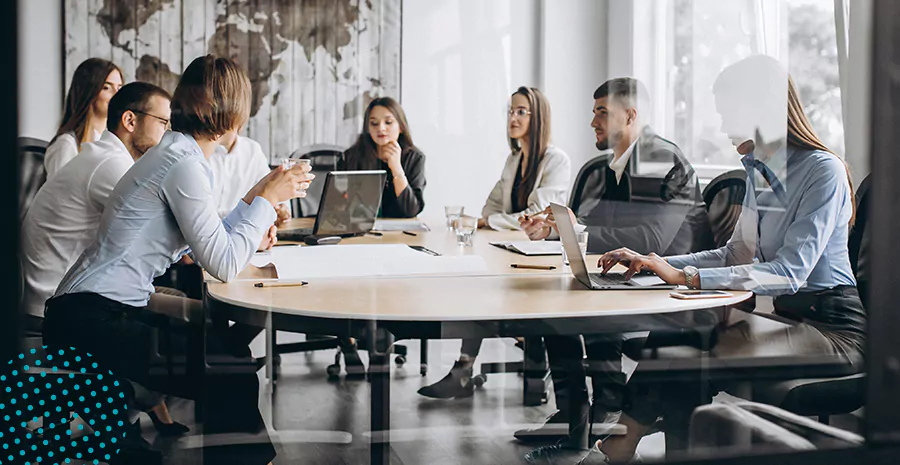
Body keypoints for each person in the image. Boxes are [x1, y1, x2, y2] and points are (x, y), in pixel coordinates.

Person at [576, 55, 866, 464]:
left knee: (685, 359)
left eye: (730, 113)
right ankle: (629, 445)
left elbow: (789, 273)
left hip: (834, 329)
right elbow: (734, 253)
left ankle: (621, 445)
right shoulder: (762, 172)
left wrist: (686, 276)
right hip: (789, 320)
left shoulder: (824, 172)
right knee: (674, 338)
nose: (724, 127)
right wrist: (656, 261)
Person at [42, 54, 313, 465]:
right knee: (230, 368)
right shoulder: (183, 164)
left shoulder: (178, 156)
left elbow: (209, 239)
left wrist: (261, 195)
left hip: (91, 309)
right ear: (229, 114)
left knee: (229, 356)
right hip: (90, 319)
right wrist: (268, 199)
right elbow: (221, 261)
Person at [516, 78, 709, 449]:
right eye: (594, 113)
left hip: (673, 286)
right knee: (552, 306)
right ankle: (577, 415)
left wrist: (578, 227)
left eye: (602, 113)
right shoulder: (609, 167)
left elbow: (652, 241)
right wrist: (554, 230)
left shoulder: (658, 158)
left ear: (631, 115)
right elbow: (597, 229)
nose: (593, 122)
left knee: (561, 310)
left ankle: (591, 416)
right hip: (631, 278)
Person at [20, 81, 192, 436]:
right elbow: (169, 226)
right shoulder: (110, 165)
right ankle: (134, 406)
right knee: (178, 310)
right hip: (62, 301)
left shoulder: (101, 156)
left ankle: (140, 411)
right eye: (164, 122)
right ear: (130, 120)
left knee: (169, 303)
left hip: (64, 290)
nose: (170, 134)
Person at [418, 86, 572, 399]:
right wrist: (495, 220)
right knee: (477, 283)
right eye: (510, 111)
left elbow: (534, 215)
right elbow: (490, 208)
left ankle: (520, 363)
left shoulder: (556, 160)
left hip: (540, 256)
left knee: (490, 292)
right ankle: (465, 370)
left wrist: (494, 221)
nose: (512, 118)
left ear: (538, 117)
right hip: (512, 248)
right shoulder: (514, 160)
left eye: (521, 112)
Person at [340, 97, 426, 218]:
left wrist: (397, 170)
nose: (381, 128)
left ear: (401, 127)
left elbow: (411, 210)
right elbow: (340, 205)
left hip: (401, 233)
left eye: (388, 122)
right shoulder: (352, 156)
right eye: (374, 123)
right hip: (361, 228)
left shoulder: (415, 158)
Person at [45, 58, 124, 178]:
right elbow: (59, 195)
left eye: (119, 88)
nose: (117, 95)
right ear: (89, 91)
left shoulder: (114, 143)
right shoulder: (66, 145)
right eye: (106, 88)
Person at [210, 129, 291, 225]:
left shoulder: (252, 149)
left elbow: (270, 188)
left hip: (243, 229)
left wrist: (280, 209)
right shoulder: (199, 150)